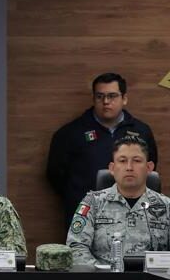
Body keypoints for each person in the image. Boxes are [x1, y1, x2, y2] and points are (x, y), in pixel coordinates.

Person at [47, 72, 158, 230]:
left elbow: (150, 171)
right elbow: (55, 174)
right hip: (85, 217)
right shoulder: (71, 133)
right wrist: (79, 196)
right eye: (100, 96)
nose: (106, 102)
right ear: (94, 99)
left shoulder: (141, 131)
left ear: (124, 98)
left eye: (112, 96)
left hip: (132, 216)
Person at [66, 136, 170, 266]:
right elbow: (76, 247)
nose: (129, 167)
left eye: (137, 161)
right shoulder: (93, 203)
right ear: (112, 168)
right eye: (122, 161)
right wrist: (104, 274)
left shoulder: (166, 206)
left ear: (149, 168)